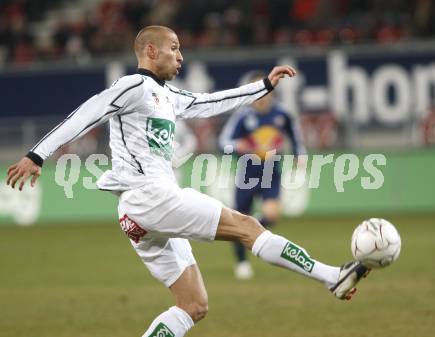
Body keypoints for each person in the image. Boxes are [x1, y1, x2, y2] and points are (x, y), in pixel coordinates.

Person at [7, 25, 369, 337]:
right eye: (174, 48)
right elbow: (87, 113)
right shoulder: (132, 86)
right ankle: (330, 276)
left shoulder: (168, 96)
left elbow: (210, 102)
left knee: (194, 304)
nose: (181, 56)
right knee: (247, 226)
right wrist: (38, 154)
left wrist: (263, 86)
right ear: (151, 51)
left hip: (139, 213)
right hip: (149, 197)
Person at [219, 71, 306, 280]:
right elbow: (223, 142)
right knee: (240, 216)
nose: (262, 97)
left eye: (265, 91)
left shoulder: (281, 114)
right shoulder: (242, 116)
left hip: (271, 174)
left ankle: (251, 227)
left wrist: (299, 154)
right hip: (247, 175)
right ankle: (242, 263)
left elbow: (295, 135)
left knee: (272, 215)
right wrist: (237, 145)